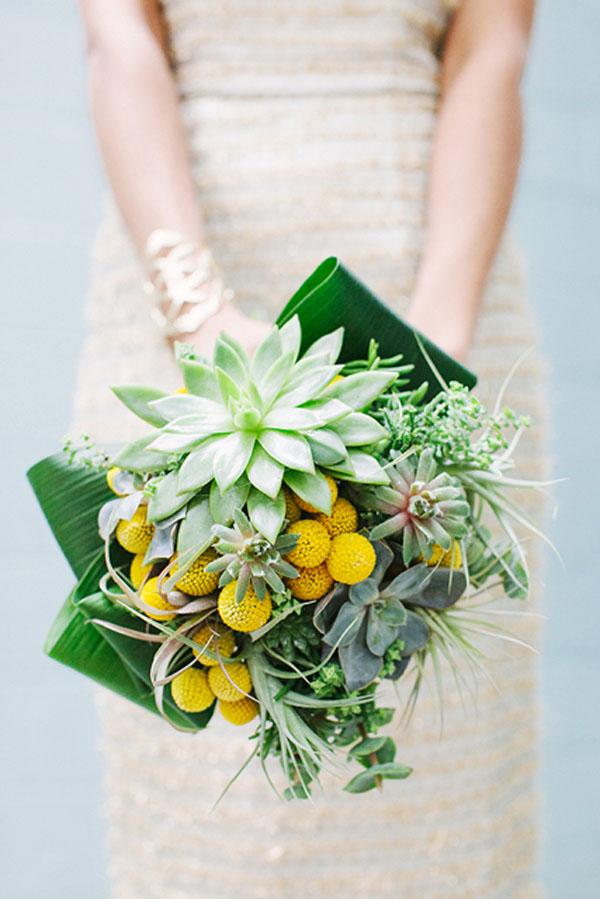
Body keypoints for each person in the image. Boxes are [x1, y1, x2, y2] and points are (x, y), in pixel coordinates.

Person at [72, 1, 547, 896]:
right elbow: (120, 39)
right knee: (212, 804)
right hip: (178, 281)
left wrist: (432, 356)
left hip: (438, 273)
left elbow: (492, 49)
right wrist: (195, 311)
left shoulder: (438, 339)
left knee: (439, 769)